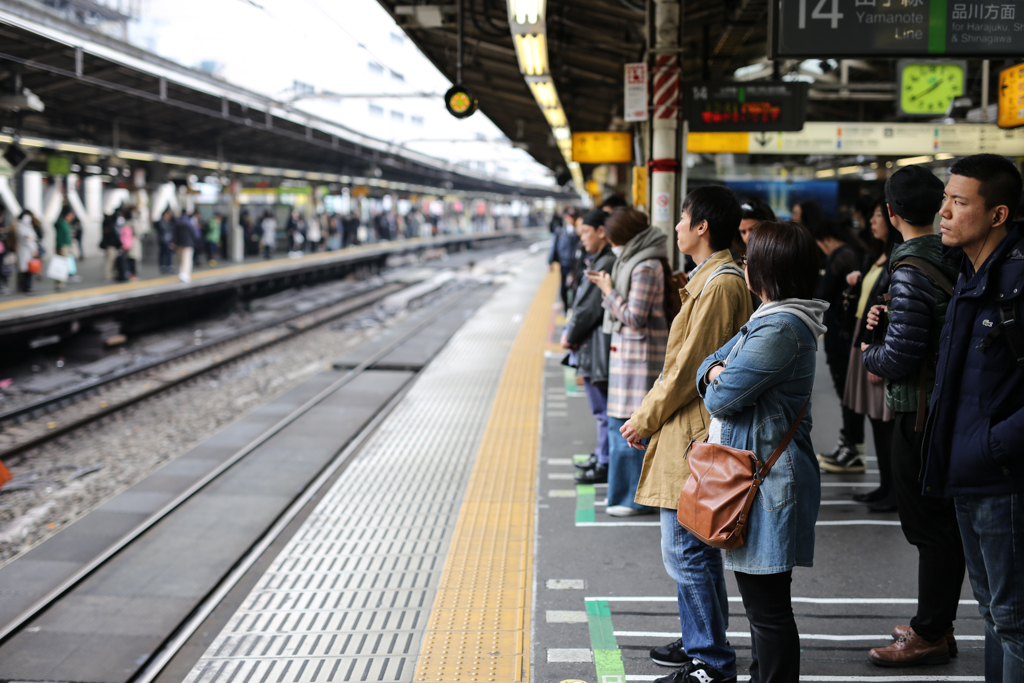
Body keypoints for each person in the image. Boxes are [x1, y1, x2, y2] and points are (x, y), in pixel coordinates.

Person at [625, 186, 753, 683]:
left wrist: (645, 416)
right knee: (687, 550)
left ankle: (710, 661)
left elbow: (686, 370)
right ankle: (700, 639)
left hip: (692, 434)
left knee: (687, 551)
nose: (675, 226)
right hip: (686, 428)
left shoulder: (719, 285)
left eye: (682, 218)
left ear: (702, 227)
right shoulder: (708, 279)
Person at [695, 220, 824, 683]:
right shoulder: (769, 317)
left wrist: (716, 372)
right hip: (757, 474)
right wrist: (716, 370)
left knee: (767, 609)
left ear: (768, 269)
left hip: (767, 482)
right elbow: (707, 365)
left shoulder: (780, 328)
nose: (744, 265)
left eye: (749, 259)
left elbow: (719, 394)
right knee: (762, 606)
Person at [921, 153, 1024, 682]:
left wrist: (995, 447)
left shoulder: (1016, 282)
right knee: (993, 615)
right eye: (946, 199)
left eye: (959, 203)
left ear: (998, 214)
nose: (944, 212)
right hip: (968, 472)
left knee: (1012, 620)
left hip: (1000, 477)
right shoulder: (971, 274)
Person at [859, 164, 965, 668]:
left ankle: (930, 633)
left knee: (928, 527)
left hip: (918, 414)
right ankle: (934, 620)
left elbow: (896, 359)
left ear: (891, 213)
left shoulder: (908, 268)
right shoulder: (952, 256)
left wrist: (869, 349)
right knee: (941, 523)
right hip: (947, 406)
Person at [587, 207, 677, 517]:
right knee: (622, 426)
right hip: (629, 358)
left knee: (631, 428)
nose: (612, 247)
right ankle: (625, 496)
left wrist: (608, 291)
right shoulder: (634, 261)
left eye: (614, 240)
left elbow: (635, 317)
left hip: (640, 358)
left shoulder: (645, 266)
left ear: (627, 238)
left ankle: (634, 498)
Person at [822, 199, 903, 486]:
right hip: (861, 335)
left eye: (879, 216)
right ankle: (884, 486)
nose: (872, 221)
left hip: (875, 339)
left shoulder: (897, 259)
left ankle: (892, 488)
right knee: (873, 416)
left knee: (885, 418)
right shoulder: (873, 258)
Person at [563, 209, 615, 485]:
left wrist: (569, 334)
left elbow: (586, 309)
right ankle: (601, 455)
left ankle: (604, 461)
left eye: (586, 231)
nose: (581, 237)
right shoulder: (600, 259)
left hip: (595, 347)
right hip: (592, 346)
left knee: (602, 409)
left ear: (601, 231)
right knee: (601, 409)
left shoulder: (603, 262)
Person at [810, 220, 865, 473]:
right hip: (843, 337)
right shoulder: (852, 253)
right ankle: (849, 443)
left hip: (843, 338)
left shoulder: (841, 255)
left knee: (847, 393)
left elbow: (824, 292)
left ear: (826, 239)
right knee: (847, 393)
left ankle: (852, 447)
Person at [549, 207, 581, 313]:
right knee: (563, 288)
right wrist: (550, 262)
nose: (572, 219)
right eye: (570, 217)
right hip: (564, 264)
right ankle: (566, 309)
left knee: (575, 288)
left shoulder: (579, 231)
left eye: (574, 217)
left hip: (576, 265)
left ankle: (573, 309)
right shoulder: (560, 231)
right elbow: (554, 247)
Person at [15, 210, 38, 293]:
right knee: (23, 271)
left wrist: (34, 248)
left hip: (29, 252)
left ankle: (28, 286)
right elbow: (27, 238)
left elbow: (33, 237)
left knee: (29, 270)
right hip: (23, 251)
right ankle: (24, 287)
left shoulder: (29, 227)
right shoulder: (19, 227)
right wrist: (31, 239)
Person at [52, 206, 73, 291]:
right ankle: (59, 284)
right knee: (61, 265)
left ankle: (61, 283)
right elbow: (60, 237)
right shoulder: (62, 224)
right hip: (62, 247)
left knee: (63, 265)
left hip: (65, 246)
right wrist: (60, 247)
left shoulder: (65, 223)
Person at [172, 211, 196, 283]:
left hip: (179, 244)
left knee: (181, 259)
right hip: (188, 244)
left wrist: (175, 242)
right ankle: (185, 274)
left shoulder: (176, 222)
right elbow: (194, 233)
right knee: (187, 260)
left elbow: (173, 233)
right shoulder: (190, 222)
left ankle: (181, 273)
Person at [100, 211, 122, 282]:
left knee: (109, 261)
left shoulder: (105, 225)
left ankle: (110, 275)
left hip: (109, 246)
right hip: (112, 246)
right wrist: (119, 244)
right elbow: (115, 237)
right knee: (110, 262)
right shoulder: (112, 226)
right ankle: (108, 275)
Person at [156, 208, 174, 273]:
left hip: (168, 239)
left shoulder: (169, 221)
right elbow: (163, 229)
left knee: (168, 253)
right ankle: (163, 265)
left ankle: (168, 265)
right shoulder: (162, 221)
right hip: (164, 239)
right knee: (164, 253)